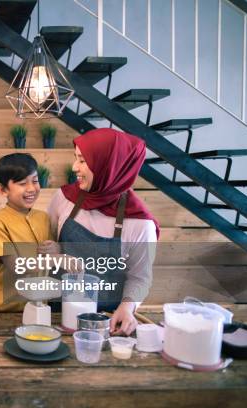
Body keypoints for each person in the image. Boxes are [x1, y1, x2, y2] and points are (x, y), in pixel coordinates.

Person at [47, 128, 159, 335]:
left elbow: (140, 277)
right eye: (76, 158)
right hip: (56, 315)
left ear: (109, 166)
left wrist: (127, 307)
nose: (74, 167)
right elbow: (49, 245)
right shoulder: (63, 199)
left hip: (106, 321)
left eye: (82, 160)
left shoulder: (140, 224)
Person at [0, 153, 53, 312]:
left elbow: (50, 253)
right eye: (22, 183)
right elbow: (15, 265)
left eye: (35, 181)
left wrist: (56, 250)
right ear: (2, 189)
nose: (31, 188)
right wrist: (59, 259)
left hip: (38, 307)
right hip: (3, 310)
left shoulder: (44, 218)